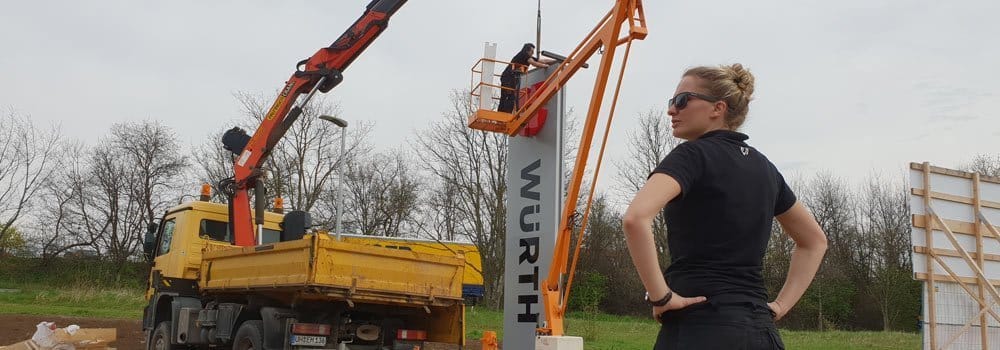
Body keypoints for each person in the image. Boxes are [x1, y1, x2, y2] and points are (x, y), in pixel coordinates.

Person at [622, 63, 828, 349]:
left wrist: (661, 297)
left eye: (682, 100)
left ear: (717, 108)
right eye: (671, 102)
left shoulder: (692, 156)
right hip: (762, 333)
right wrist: (780, 306)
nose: (671, 110)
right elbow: (814, 241)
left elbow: (635, 218)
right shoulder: (766, 169)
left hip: (700, 327)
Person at [497, 43, 554, 113]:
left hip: (512, 78)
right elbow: (534, 63)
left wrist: (555, 61)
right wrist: (545, 66)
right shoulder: (524, 55)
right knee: (508, 95)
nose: (532, 53)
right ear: (527, 51)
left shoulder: (527, 56)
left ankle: (504, 113)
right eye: (532, 51)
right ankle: (504, 114)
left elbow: (542, 60)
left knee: (510, 96)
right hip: (508, 77)